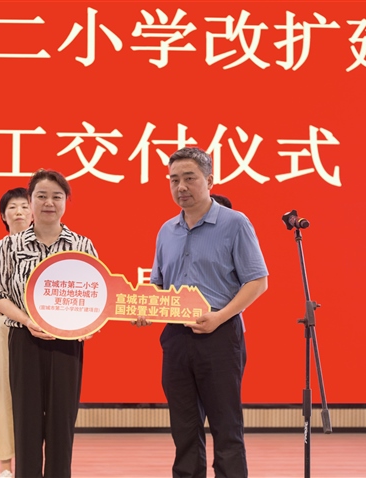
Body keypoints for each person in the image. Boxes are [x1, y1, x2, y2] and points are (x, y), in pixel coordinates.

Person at [136, 148, 268, 478]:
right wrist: (144, 309)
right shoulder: (166, 230)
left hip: (220, 335)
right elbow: (158, 284)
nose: (181, 186)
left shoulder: (235, 223)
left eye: (189, 178)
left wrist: (219, 317)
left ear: (209, 180)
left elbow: (257, 281)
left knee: (226, 426)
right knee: (183, 427)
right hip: (176, 337)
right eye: (174, 180)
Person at [0, 170, 97, 478]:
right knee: (26, 422)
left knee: (62, 423)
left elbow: (96, 295)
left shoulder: (81, 244)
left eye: (56, 196)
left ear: (66, 201)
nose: (49, 203)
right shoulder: (11, 245)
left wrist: (89, 323)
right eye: (41, 196)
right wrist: (27, 320)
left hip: (67, 343)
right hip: (24, 340)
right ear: (31, 200)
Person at [0, 187, 33, 478]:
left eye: (24, 206)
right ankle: (5, 467)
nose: (19, 212)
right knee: (2, 393)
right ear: (3, 215)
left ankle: (32, 462)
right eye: (12, 207)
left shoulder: (47, 247)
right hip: (3, 327)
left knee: (34, 399)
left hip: (41, 330)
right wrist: (16, 316)